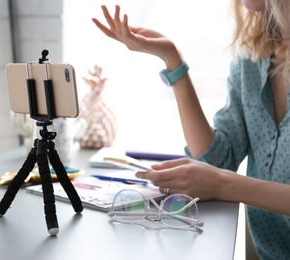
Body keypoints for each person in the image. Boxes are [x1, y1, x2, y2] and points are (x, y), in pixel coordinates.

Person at [92, 0, 290, 259]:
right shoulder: (253, 59)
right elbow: (216, 161)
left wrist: (223, 185)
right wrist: (173, 60)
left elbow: (218, 177)